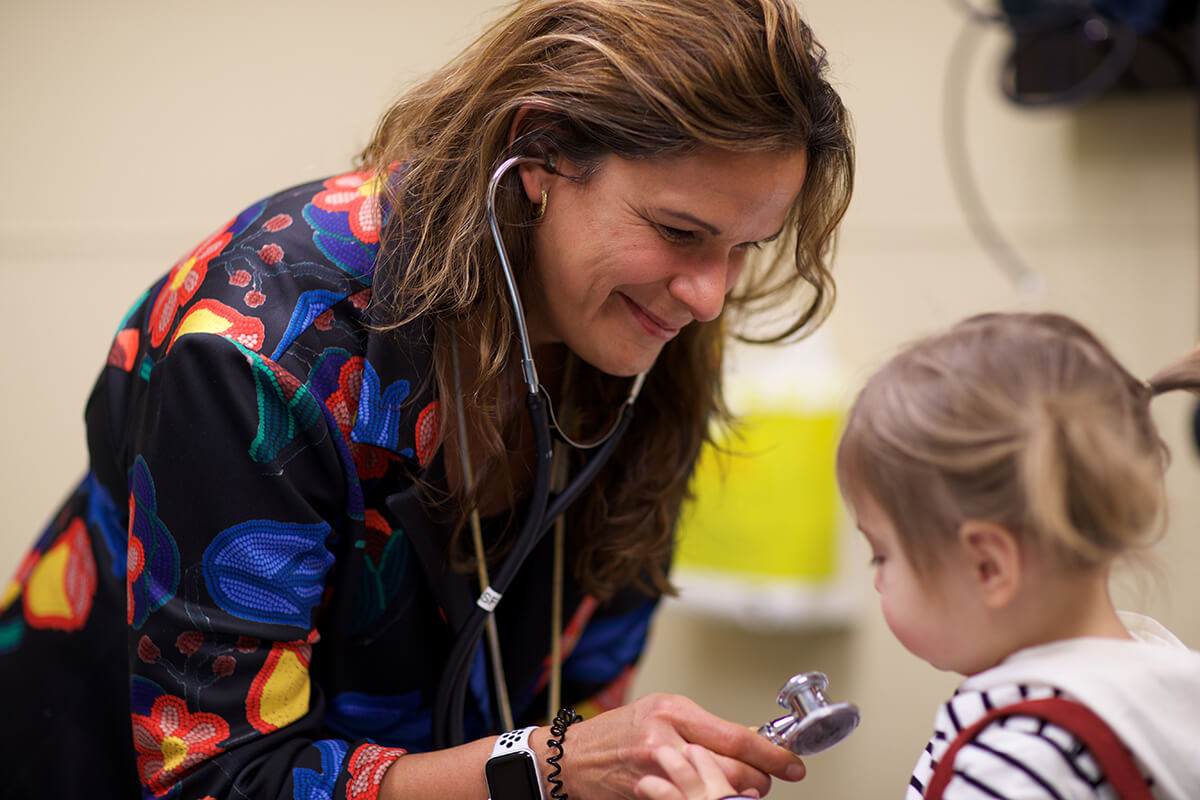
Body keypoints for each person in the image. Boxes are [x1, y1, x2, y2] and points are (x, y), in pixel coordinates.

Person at [0, 0, 855, 798]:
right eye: (678, 231)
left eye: (746, 247)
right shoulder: (260, 349)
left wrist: (633, 767)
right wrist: (544, 768)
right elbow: (221, 776)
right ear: (542, 151)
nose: (709, 296)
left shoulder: (644, 320)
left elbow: (586, 683)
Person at [636, 311, 1200, 800]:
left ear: (989, 566)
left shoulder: (1019, 756)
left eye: (883, 555)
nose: (877, 578)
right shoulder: (1158, 681)